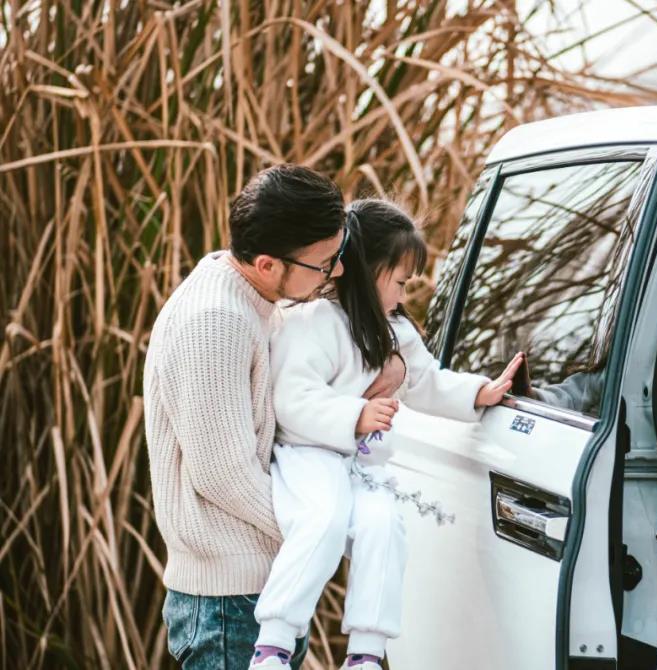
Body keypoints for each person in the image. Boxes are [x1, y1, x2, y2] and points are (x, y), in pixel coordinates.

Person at [144, 165, 403, 669]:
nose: (337, 273)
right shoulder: (216, 321)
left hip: (254, 587)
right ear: (267, 264)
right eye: (324, 264)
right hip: (228, 603)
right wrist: (323, 526)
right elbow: (223, 474)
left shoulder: (254, 297)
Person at [249, 198, 523, 670]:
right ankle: (273, 643)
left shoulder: (395, 331)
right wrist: (356, 414)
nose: (402, 295)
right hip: (309, 454)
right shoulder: (312, 323)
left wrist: (479, 392)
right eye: (399, 282)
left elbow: (427, 381)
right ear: (367, 270)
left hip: (361, 463)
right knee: (322, 521)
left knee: (384, 528)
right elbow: (292, 399)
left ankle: (366, 653)